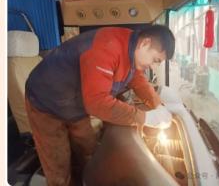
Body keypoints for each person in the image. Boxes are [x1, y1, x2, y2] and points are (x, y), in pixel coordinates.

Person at [25, 24, 176, 186]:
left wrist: (157, 105)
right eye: (155, 60)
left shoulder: (132, 48)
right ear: (145, 43)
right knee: (58, 163)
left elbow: (137, 78)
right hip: (46, 102)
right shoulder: (107, 48)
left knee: (88, 148)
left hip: (76, 104)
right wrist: (145, 118)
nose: (154, 67)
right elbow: (97, 103)